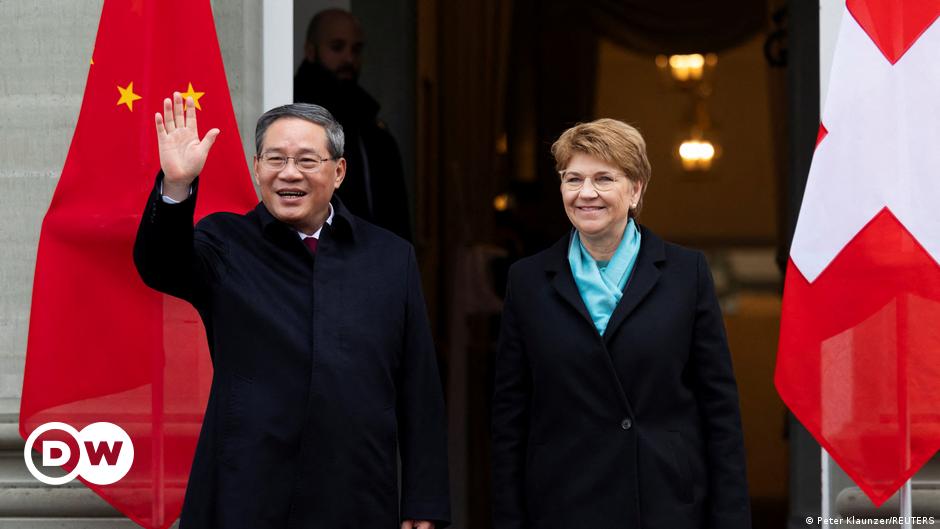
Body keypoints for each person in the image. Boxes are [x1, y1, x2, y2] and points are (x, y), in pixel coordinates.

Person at [134, 92, 450, 529]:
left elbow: (419, 386)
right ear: (257, 167)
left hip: (355, 491)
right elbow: (160, 266)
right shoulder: (225, 242)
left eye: (306, 161)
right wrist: (176, 186)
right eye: (275, 159)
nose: (288, 174)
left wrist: (425, 501)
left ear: (338, 172)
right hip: (247, 490)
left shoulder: (389, 256)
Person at [491, 119, 750, 529]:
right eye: (573, 178)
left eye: (604, 178)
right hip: (563, 505)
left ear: (636, 189)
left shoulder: (686, 274)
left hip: (665, 504)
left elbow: (719, 409)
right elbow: (510, 415)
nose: (586, 193)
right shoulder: (527, 281)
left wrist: (731, 518)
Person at [294, 8, 412, 242]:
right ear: (310, 50)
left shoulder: (371, 127)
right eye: (337, 47)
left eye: (356, 49)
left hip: (372, 260)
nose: (349, 59)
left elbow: (394, 216)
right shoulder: (292, 117)